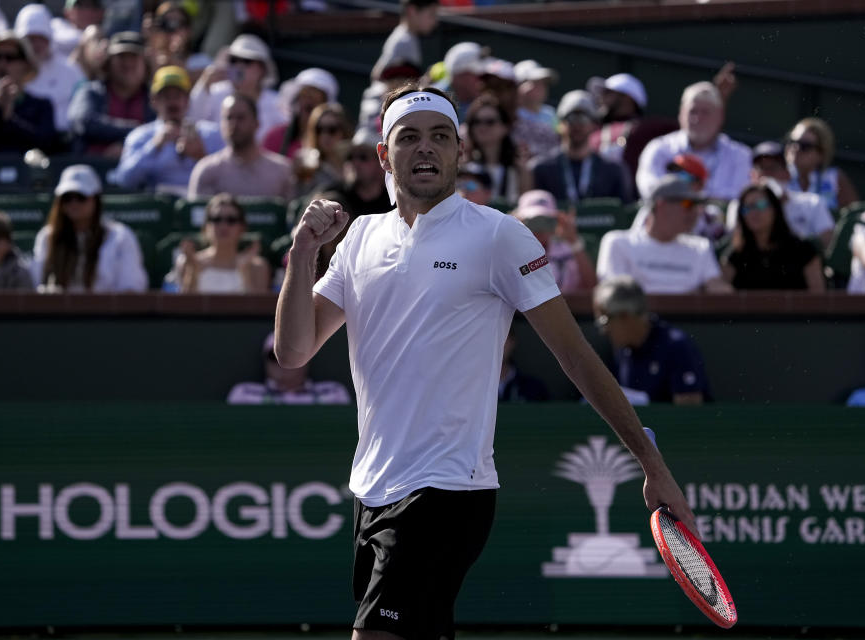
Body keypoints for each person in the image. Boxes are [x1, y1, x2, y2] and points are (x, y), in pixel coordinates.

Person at [274, 83, 698, 640]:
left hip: (450, 488)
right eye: (409, 138)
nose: (426, 149)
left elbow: (576, 356)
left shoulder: (500, 236)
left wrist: (651, 461)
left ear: (460, 151)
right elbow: (293, 350)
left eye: (441, 137)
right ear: (384, 154)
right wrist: (304, 252)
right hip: (372, 489)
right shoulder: (357, 240)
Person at [596, 173, 732, 293]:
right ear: (662, 205)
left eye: (697, 205)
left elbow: (716, 287)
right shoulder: (618, 243)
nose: (695, 212)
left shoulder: (701, 247)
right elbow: (614, 295)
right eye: (688, 204)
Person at [593, 275, 711, 404]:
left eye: (605, 321)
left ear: (625, 316)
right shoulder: (621, 350)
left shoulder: (676, 346)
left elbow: (690, 409)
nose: (604, 330)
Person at [32, 164, 148, 292]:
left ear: (95, 199)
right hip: (59, 311)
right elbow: (37, 285)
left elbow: (130, 288)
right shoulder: (47, 237)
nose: (73, 203)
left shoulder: (120, 237)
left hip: (108, 311)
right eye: (67, 198)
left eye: (81, 197)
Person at [115, 65, 225, 195]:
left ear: (187, 100)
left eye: (177, 96)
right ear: (154, 101)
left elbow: (229, 180)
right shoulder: (140, 136)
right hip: (158, 209)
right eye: (166, 96)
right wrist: (154, 146)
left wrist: (201, 156)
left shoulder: (211, 134)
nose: (172, 102)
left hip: (200, 208)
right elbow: (124, 180)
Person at [635, 81, 750, 202]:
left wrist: (686, 199)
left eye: (705, 112)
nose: (697, 118)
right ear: (681, 114)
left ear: (720, 116)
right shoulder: (658, 148)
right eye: (692, 111)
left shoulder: (740, 155)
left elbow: (740, 197)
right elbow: (649, 189)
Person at [725, 141, 835, 247]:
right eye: (760, 169)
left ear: (787, 174)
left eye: (773, 168)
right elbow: (734, 244)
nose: (766, 174)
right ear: (752, 176)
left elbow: (828, 244)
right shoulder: (738, 206)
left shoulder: (813, 203)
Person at [531, 90, 633, 204]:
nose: (577, 125)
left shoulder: (613, 170)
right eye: (571, 118)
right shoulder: (541, 169)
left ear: (594, 125)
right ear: (560, 124)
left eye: (584, 118)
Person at [188, 93, 296, 200]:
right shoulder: (207, 171)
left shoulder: (282, 172)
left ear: (257, 123)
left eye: (241, 118)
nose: (234, 124)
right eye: (229, 118)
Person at [721, 182, 825, 291]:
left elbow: (818, 297)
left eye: (761, 205)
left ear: (775, 209)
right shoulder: (736, 255)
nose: (754, 212)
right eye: (747, 208)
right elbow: (721, 293)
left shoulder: (803, 251)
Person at [68, 31, 155, 155]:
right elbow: (83, 122)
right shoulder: (91, 92)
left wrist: (124, 147)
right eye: (122, 57)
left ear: (145, 64)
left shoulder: (154, 99)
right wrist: (137, 130)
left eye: (134, 57)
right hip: (93, 168)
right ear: (108, 63)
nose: (128, 63)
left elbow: (161, 131)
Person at [188, 33, 284, 144]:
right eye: (233, 60)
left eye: (247, 61)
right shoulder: (215, 92)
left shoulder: (277, 102)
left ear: (262, 70)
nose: (239, 66)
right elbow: (192, 119)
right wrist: (204, 84)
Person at [0, 30, 56, 155]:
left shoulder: (41, 105)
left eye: (10, 57)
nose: (2, 63)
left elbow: (47, 144)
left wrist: (9, 117)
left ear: (26, 64)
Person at [170, 192, 270, 293]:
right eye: (216, 219)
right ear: (205, 227)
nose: (223, 226)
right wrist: (192, 271)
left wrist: (245, 272)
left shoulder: (258, 266)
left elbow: (257, 307)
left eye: (231, 220)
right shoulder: (185, 263)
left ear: (242, 227)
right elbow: (184, 305)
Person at [14, 3, 85, 136]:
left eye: (40, 38)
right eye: (30, 39)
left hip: (65, 147)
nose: (36, 45)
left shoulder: (71, 70)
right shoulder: (7, 70)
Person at [228, 331, 351, 405]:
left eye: (290, 354)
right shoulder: (243, 393)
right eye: (273, 356)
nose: (281, 362)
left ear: (307, 359)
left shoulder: (335, 392)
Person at [512, 189, 597, 294]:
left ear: (556, 222)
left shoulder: (567, 250)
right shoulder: (509, 252)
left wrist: (573, 241)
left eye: (546, 221)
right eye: (532, 221)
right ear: (518, 221)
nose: (540, 228)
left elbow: (591, 287)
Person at [463, 93, 529, 203]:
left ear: (505, 127)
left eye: (490, 122)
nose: (482, 127)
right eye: (476, 122)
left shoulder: (520, 170)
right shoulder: (463, 168)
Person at [785, 117, 859, 211]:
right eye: (792, 142)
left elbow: (853, 216)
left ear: (822, 153)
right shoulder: (776, 176)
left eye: (805, 146)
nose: (795, 148)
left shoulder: (835, 179)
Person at [264, 67, 338, 159]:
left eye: (315, 97)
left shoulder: (333, 142)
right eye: (305, 95)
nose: (309, 102)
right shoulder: (275, 136)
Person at [292, 102, 353, 200]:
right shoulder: (307, 164)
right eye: (319, 129)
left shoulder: (357, 160)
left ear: (344, 130)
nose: (325, 135)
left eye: (332, 130)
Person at [369, 0, 439, 83]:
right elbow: (380, 77)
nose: (435, 22)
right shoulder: (405, 41)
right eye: (431, 14)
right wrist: (426, 82)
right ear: (412, 11)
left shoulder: (406, 37)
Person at [144, 1, 211, 83]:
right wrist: (149, 43)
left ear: (189, 31)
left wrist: (171, 56)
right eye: (166, 23)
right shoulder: (146, 57)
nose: (173, 29)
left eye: (179, 23)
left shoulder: (201, 60)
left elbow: (204, 79)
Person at [590, 72, 647, 166]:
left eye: (608, 93)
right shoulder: (594, 128)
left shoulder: (642, 131)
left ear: (626, 98)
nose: (601, 98)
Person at [511, 58, 560, 161]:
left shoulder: (550, 114)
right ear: (520, 85)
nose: (542, 88)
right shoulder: (509, 113)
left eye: (543, 83)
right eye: (535, 83)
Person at [342, 127, 390, 217]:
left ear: (380, 161)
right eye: (350, 157)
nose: (355, 162)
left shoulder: (394, 202)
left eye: (363, 157)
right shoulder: (338, 200)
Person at [499, 322, 549, 402]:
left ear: (512, 341)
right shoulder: (474, 386)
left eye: (502, 337)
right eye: (492, 340)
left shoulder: (534, 389)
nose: (497, 345)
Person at [436, 41, 485, 118]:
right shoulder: (435, 100)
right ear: (460, 76)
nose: (482, 82)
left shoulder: (485, 102)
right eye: (479, 76)